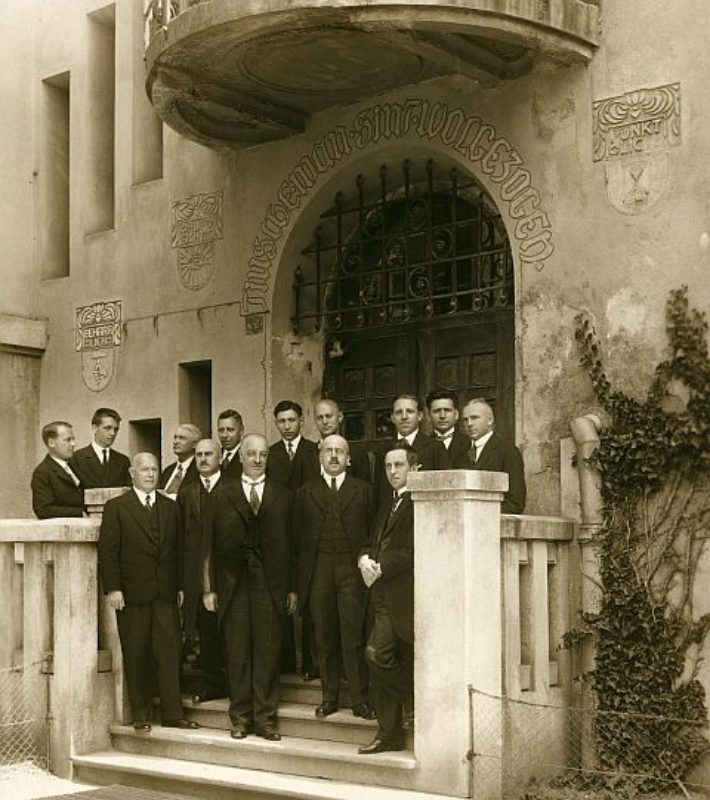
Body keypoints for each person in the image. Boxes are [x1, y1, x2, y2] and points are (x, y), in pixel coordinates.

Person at [203, 434, 296, 741]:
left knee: (268, 652)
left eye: (263, 454)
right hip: (233, 586)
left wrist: (292, 589)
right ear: (240, 457)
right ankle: (241, 718)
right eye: (251, 454)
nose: (257, 459)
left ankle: (266, 719)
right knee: (238, 653)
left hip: (271, 586)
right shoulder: (221, 494)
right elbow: (208, 546)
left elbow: (293, 547)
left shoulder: (283, 495)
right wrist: (209, 588)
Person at [98, 452, 199, 732]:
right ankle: (141, 714)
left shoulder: (170, 506)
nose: (151, 474)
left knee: (169, 652)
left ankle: (172, 713)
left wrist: (179, 586)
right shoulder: (116, 507)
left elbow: (178, 550)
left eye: (155, 469)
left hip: (165, 592)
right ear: (132, 473)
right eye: (145, 470)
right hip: (131, 594)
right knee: (137, 652)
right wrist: (114, 588)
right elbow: (109, 552)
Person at [293, 434, 375, 720]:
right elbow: (297, 539)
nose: (334, 456)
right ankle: (329, 698)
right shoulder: (305, 492)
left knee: (353, 634)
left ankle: (359, 699)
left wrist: (365, 558)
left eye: (340, 451)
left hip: (351, 569)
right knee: (324, 635)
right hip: (318, 570)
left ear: (349, 458)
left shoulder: (363, 490)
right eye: (328, 451)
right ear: (320, 457)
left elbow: (372, 532)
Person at [358, 442, 417, 754]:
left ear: (413, 468)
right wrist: (363, 558)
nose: (393, 472)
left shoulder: (418, 502)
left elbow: (414, 550)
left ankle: (411, 696)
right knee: (380, 659)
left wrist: (382, 566)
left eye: (399, 465)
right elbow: (370, 541)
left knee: (376, 655)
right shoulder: (387, 504)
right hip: (380, 596)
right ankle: (389, 733)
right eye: (389, 467)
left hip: (404, 597)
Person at [266, 400, 320, 678]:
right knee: (281, 593)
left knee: (311, 596)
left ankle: (312, 663)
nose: (287, 426)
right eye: (282, 421)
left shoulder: (315, 451)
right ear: (276, 424)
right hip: (279, 535)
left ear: (302, 421)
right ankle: (285, 660)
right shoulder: (270, 454)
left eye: (291, 420)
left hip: (311, 533)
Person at [176, 438, 226, 704]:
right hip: (196, 574)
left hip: (228, 573)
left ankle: (235, 683)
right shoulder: (187, 493)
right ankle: (212, 684)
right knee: (205, 631)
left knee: (229, 631)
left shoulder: (232, 488)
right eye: (199, 455)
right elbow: (182, 541)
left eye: (209, 454)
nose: (203, 459)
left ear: (220, 457)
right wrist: (184, 583)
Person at [452, 398, 526, 514]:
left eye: (475, 418)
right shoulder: (461, 453)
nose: (469, 424)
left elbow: (516, 502)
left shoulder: (507, 451)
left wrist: (480, 513)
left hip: (493, 524)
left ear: (490, 420)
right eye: (465, 420)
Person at [373, 394, 445, 511]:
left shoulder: (435, 448)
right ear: (392, 418)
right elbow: (379, 493)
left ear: (420, 416)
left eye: (410, 412)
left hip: (424, 514)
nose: (404, 417)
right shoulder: (383, 450)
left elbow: (443, 488)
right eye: (399, 412)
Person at [31, 421, 86, 519]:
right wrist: (79, 513)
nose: (74, 444)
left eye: (73, 439)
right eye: (68, 440)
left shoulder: (75, 465)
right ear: (51, 443)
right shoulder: (42, 472)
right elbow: (43, 510)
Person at [68, 407, 131, 488]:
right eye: (107, 428)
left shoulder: (123, 461)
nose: (113, 433)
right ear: (95, 428)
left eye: (116, 429)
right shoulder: (76, 459)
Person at [314, 398, 371, 482]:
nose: (325, 422)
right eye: (320, 418)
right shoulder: (307, 454)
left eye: (329, 416)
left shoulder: (357, 453)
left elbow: (365, 490)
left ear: (340, 417)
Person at [425, 389, 470, 468]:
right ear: (428, 416)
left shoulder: (469, 443)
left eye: (447, 410)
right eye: (437, 411)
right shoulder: (423, 446)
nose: (442, 416)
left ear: (456, 414)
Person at [159, 423, 201, 499]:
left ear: (194, 444)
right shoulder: (167, 471)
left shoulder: (200, 470)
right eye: (175, 437)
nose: (176, 442)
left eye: (181, 438)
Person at [217, 409, 243, 482]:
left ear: (241, 431)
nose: (225, 435)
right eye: (221, 430)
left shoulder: (248, 457)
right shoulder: (214, 456)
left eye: (230, 430)